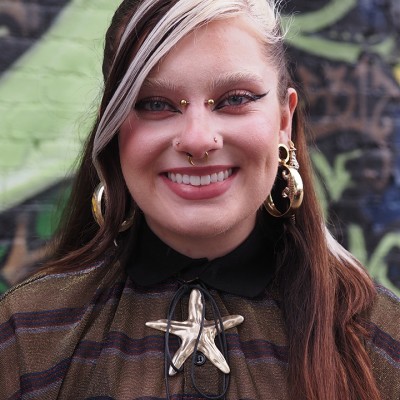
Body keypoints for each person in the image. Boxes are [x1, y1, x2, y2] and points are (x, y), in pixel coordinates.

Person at [0, 0, 399, 399]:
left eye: (235, 99)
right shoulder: (27, 332)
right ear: (114, 129)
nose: (197, 140)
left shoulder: (377, 335)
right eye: (155, 104)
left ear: (283, 121)